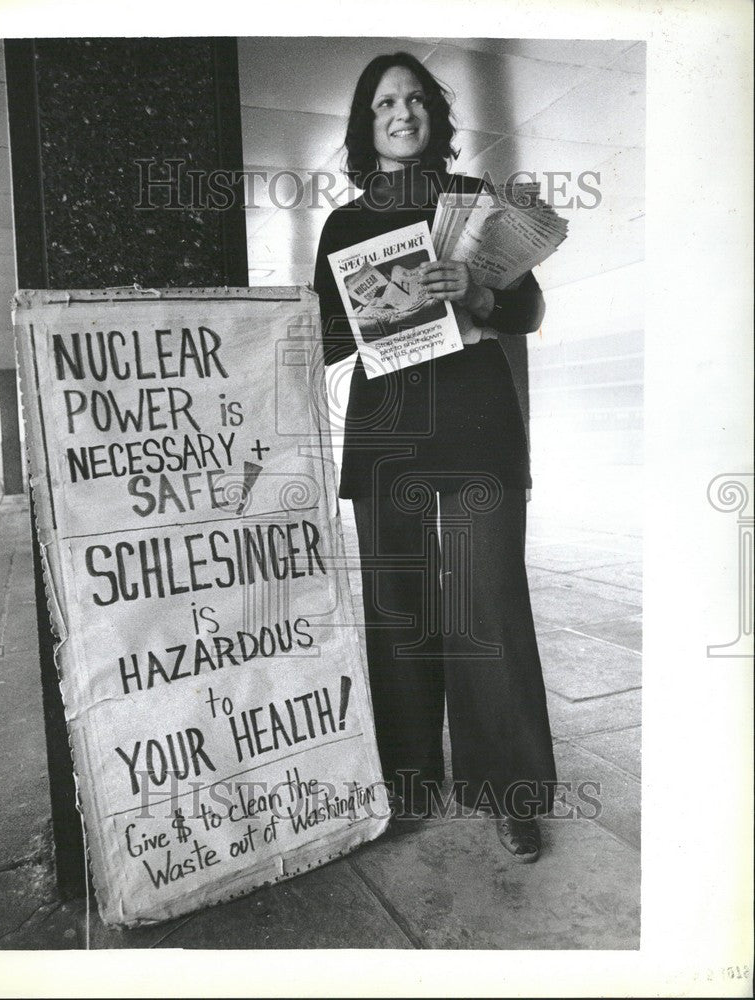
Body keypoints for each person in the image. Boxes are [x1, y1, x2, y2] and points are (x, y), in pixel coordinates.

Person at [313, 51, 556, 863]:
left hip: (478, 423)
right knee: (399, 611)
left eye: (415, 99)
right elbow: (323, 337)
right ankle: (407, 783)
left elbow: (526, 308)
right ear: (364, 121)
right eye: (385, 102)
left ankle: (510, 794)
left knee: (487, 608)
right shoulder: (343, 225)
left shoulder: (470, 202)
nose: (402, 112)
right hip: (388, 433)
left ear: (433, 117)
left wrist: (478, 294)